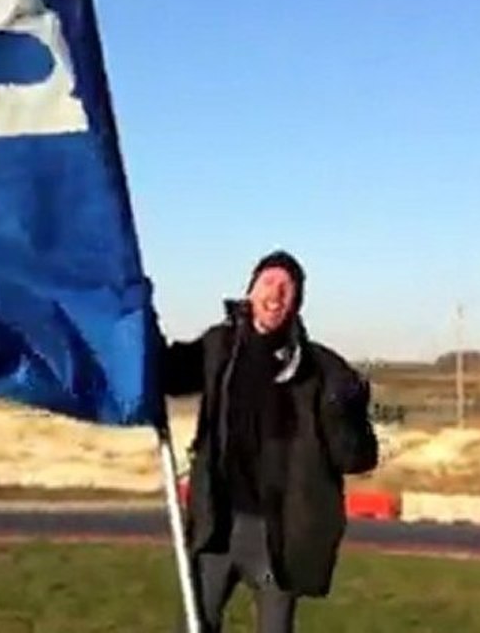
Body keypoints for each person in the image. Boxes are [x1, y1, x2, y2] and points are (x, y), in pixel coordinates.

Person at [161, 250, 379, 633]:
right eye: (268, 282)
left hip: (277, 534)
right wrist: (138, 322)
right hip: (217, 525)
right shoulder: (218, 347)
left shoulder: (321, 369)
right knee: (195, 625)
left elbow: (356, 458)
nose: (275, 293)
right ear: (250, 291)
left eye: (286, 287)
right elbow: (166, 376)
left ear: (296, 302)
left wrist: (346, 412)